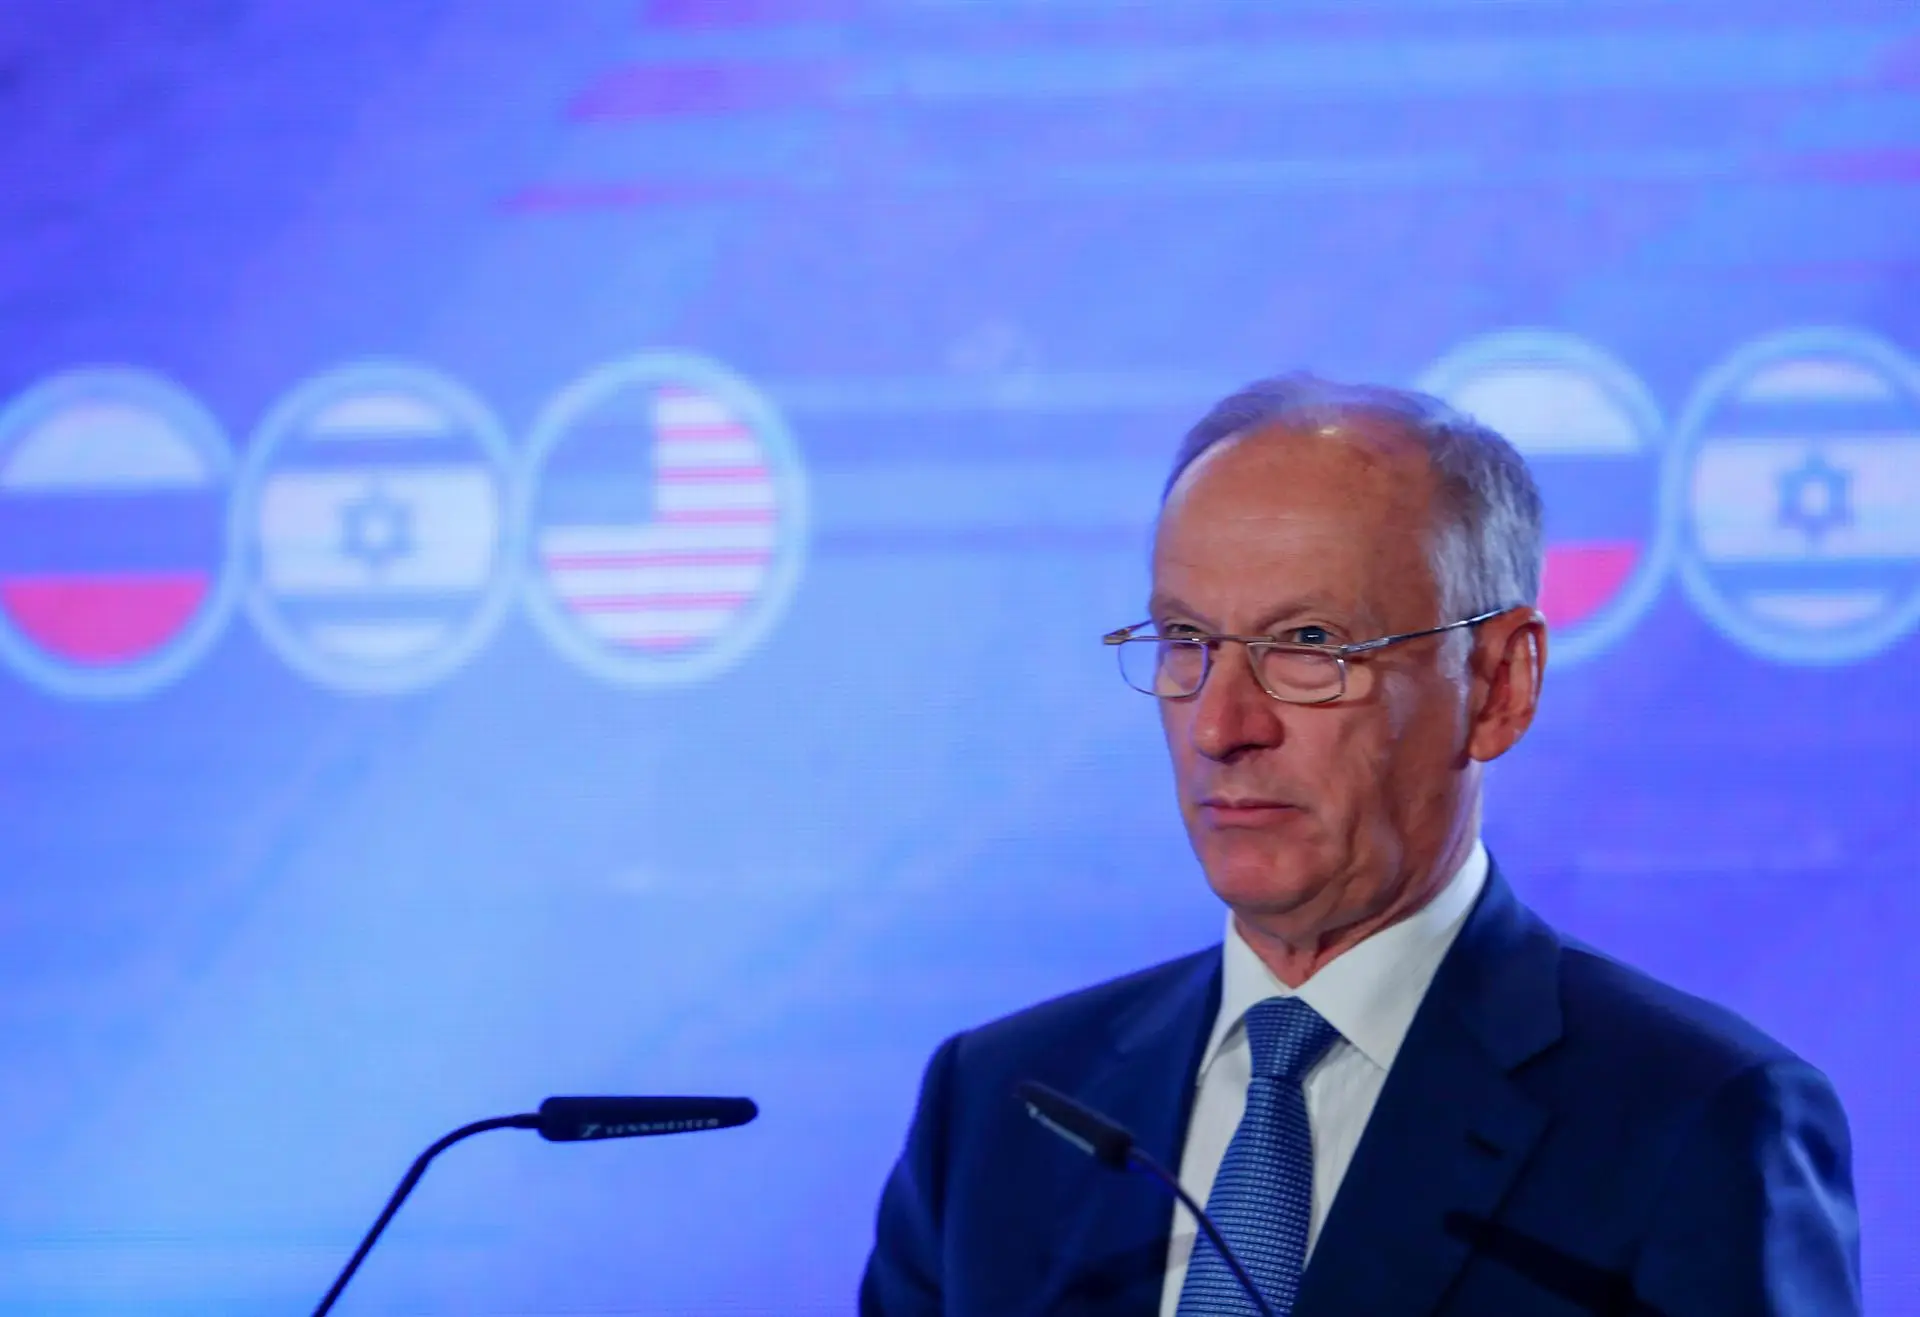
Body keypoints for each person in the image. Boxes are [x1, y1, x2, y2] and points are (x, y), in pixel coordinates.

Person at [858, 375, 1860, 1317]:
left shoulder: (1693, 1120)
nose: (1221, 725)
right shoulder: (1000, 1108)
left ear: (1499, 686)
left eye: (1308, 645)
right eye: (1186, 643)